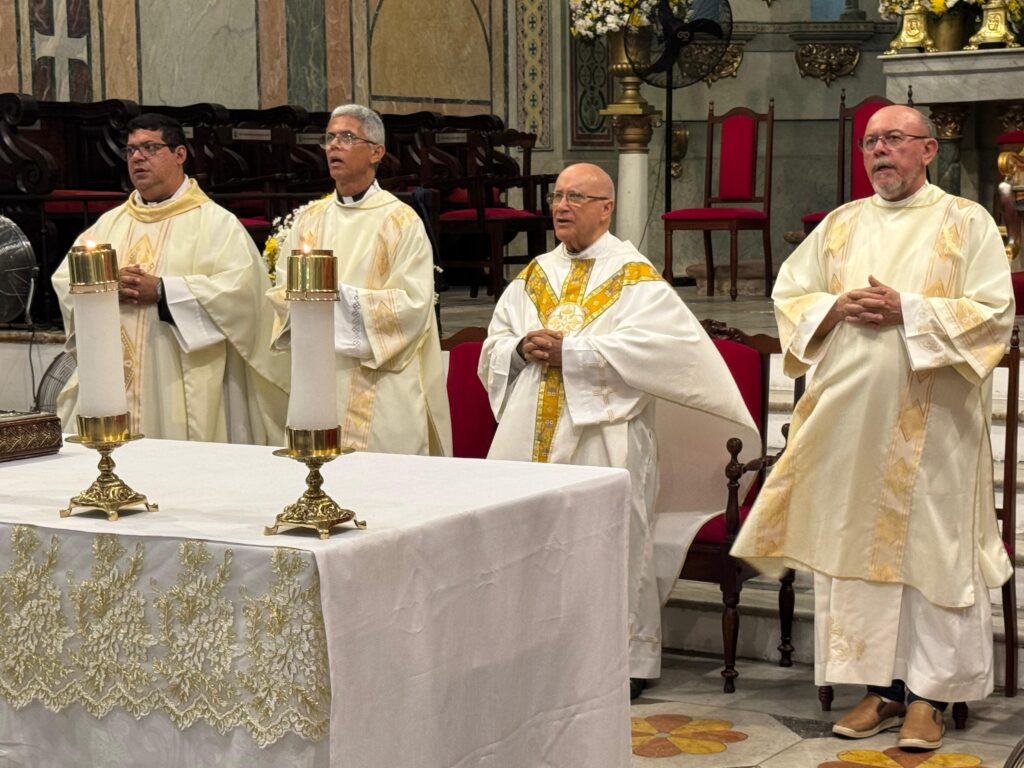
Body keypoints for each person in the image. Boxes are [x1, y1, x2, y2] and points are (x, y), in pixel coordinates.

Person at [732, 105, 1015, 751]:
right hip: (852, 426)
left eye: (894, 140)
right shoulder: (841, 224)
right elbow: (789, 295)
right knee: (860, 548)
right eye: (871, 142)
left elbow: (993, 313)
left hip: (935, 426)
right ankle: (882, 689)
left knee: (934, 551)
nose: (880, 152)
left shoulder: (965, 221)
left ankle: (931, 697)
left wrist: (907, 309)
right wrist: (834, 305)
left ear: (927, 150)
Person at [479, 162, 759, 700]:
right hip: (527, 433)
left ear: (606, 208)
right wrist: (518, 348)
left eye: (576, 197)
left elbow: (665, 352)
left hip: (604, 436)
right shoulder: (534, 273)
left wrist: (575, 351)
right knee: (527, 539)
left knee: (608, 542)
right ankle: (530, 653)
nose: (562, 206)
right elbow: (495, 341)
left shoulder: (636, 277)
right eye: (558, 196)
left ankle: (620, 662)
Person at [52, 113, 288, 444]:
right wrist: (104, 286)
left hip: (179, 381)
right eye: (131, 150)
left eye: (150, 147)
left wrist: (164, 290)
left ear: (180, 155)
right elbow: (65, 282)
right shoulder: (108, 225)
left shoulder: (216, 224)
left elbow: (243, 294)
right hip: (111, 382)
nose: (137, 157)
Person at [268, 104, 451, 456]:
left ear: (376, 152)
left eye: (347, 137)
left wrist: (338, 297)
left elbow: (414, 304)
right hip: (320, 378)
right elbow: (280, 290)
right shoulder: (309, 219)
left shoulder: (400, 221)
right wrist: (306, 299)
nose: (335, 145)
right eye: (330, 138)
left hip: (381, 384)